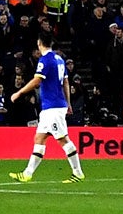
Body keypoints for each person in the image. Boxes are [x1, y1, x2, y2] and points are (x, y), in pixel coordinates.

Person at [9, 35, 84, 184]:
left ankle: (78, 172)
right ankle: (27, 173)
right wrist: (68, 102)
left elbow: (37, 80)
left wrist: (19, 92)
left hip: (53, 107)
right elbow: (66, 82)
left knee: (63, 139)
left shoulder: (46, 60)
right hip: (53, 106)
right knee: (39, 138)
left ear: (39, 43)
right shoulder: (59, 60)